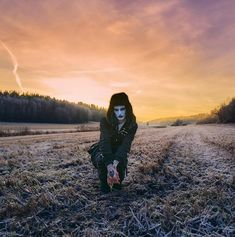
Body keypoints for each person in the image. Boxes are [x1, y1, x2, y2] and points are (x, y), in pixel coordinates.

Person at [88, 92, 138, 193]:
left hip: (119, 154)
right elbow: (104, 142)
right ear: (112, 110)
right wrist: (110, 167)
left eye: (122, 109)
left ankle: (118, 173)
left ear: (127, 108)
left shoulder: (132, 125)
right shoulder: (105, 121)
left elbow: (125, 146)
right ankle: (103, 177)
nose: (119, 113)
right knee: (105, 188)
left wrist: (115, 165)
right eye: (116, 110)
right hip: (103, 151)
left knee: (117, 186)